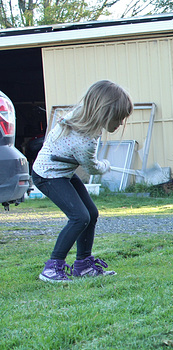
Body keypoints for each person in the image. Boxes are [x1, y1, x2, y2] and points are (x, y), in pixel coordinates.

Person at [33, 80, 133, 283]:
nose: (121, 123)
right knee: (79, 217)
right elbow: (92, 168)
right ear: (104, 113)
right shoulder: (85, 139)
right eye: (119, 118)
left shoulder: (82, 117)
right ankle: (52, 268)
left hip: (63, 172)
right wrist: (105, 165)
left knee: (91, 214)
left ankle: (83, 265)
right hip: (48, 175)